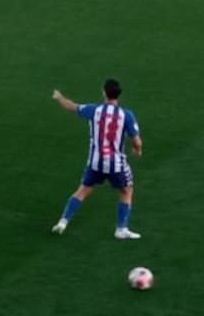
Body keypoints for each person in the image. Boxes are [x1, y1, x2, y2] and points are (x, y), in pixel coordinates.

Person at [50, 80, 142, 240]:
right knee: (127, 190)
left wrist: (59, 97)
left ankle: (63, 222)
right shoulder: (126, 115)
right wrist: (137, 150)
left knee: (83, 190)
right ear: (119, 94)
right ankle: (121, 229)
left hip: (95, 162)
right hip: (116, 164)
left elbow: (71, 106)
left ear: (104, 93)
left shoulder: (95, 110)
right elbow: (137, 141)